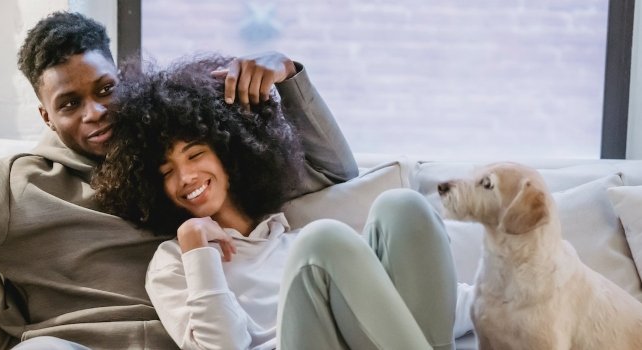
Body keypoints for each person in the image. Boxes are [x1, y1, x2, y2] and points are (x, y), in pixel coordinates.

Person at [0, 11, 357, 349]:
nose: (95, 113)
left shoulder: (180, 165)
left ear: (123, 80)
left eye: (105, 90)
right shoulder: (18, 184)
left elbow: (334, 174)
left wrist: (289, 75)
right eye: (69, 104)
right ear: (46, 116)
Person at [91, 56, 462, 350]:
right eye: (167, 171)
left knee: (402, 207)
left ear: (228, 153)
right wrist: (197, 250)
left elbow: (439, 302)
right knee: (323, 242)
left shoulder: (288, 233)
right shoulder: (174, 261)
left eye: (195, 154)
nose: (185, 176)